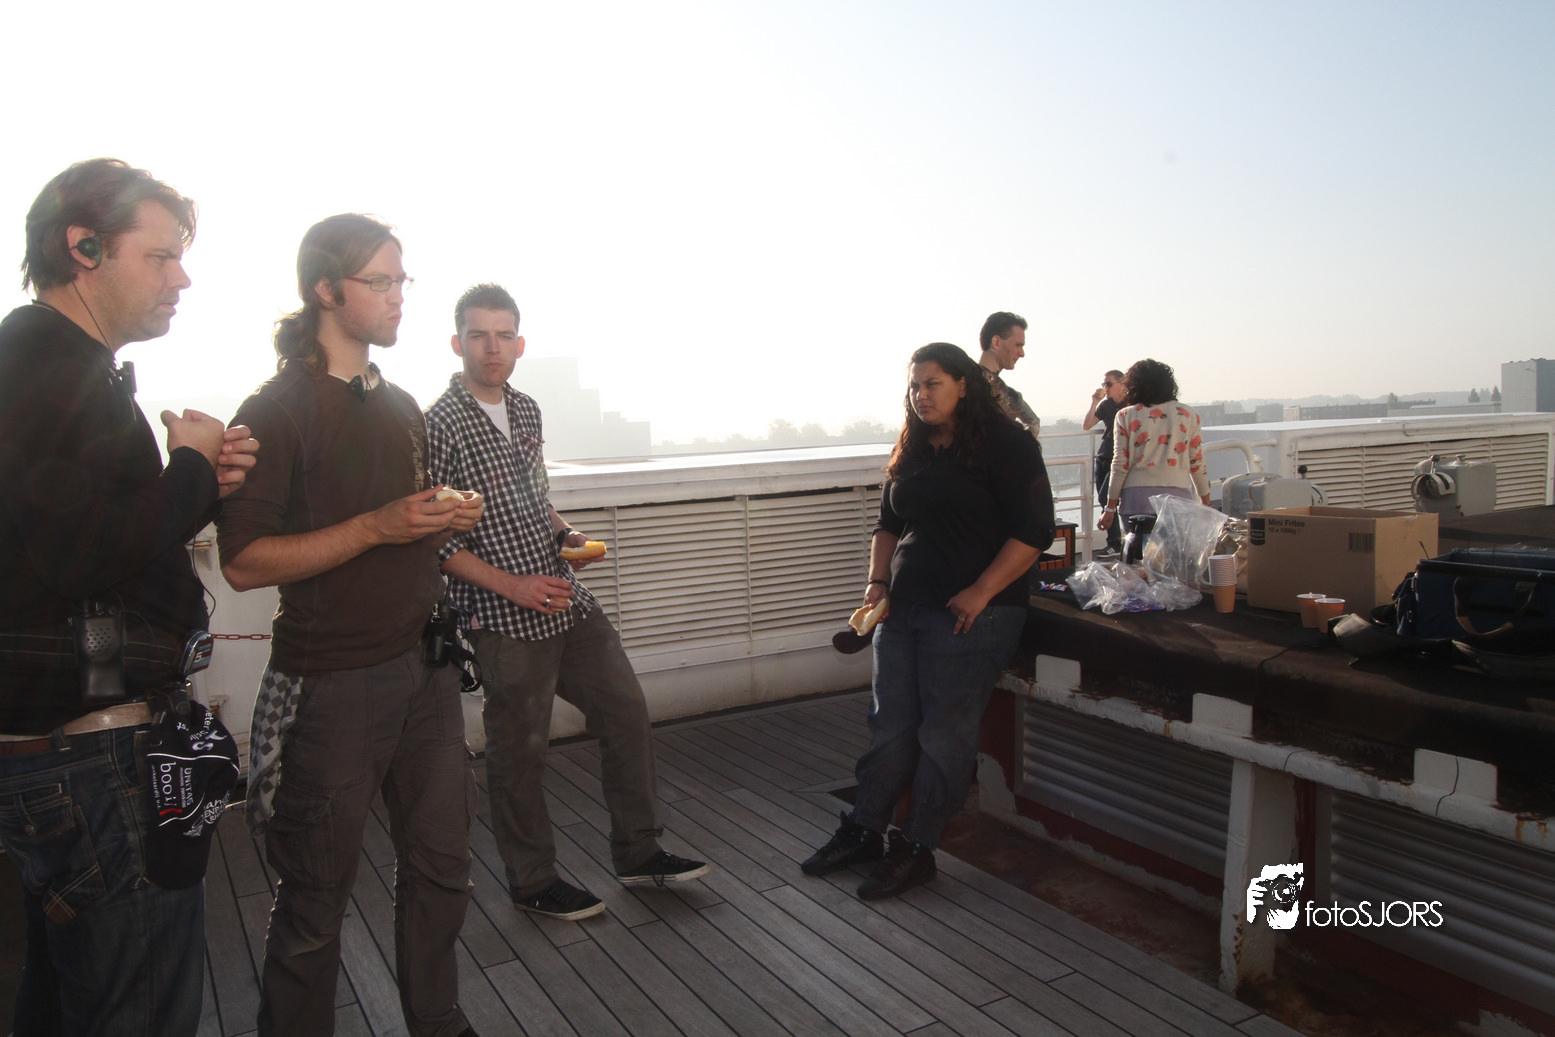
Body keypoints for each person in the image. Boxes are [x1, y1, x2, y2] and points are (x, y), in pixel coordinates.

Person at [0, 158, 258, 1036]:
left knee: (67, 1004)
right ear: (83, 248)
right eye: (160, 255)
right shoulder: (42, 360)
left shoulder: (51, 361)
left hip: (69, 758)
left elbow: (81, 538)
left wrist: (199, 480)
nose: (181, 277)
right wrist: (189, 465)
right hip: (94, 763)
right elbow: (82, 552)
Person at [217, 215, 484, 1037]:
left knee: (443, 867)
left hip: (425, 672)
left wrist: (441, 518)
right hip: (330, 685)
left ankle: (437, 1020)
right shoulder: (275, 410)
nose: (399, 295)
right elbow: (244, 562)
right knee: (314, 899)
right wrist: (376, 526)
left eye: (402, 280)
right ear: (326, 290)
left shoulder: (400, 405)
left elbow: (403, 524)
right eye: (381, 281)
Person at [425, 283, 708, 921]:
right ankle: (532, 882)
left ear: (520, 344)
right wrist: (513, 584)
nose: (492, 348)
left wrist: (566, 535)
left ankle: (639, 852)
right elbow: (434, 541)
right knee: (519, 752)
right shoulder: (437, 423)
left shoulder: (525, 409)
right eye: (478, 335)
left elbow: (535, 495)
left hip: (564, 597)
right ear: (456, 343)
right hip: (503, 615)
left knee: (625, 711)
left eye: (503, 336)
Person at [801, 342, 1054, 900]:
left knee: (943, 734)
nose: (920, 395)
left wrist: (980, 592)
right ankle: (864, 830)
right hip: (903, 609)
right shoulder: (915, 446)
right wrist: (877, 582)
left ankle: (917, 847)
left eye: (932, 383)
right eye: (915, 386)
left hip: (972, 616)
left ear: (963, 383)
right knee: (889, 726)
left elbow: (1035, 531)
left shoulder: (1007, 444)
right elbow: (889, 523)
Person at [1098, 358, 1211, 537]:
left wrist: (1110, 508)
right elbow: (1196, 463)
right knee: (1174, 553)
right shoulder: (1188, 414)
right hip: (1178, 500)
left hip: (1136, 501)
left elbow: (1120, 464)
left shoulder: (1125, 415)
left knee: (1139, 553)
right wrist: (1205, 501)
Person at [1082, 369, 1127, 556]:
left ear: (1122, 384)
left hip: (1119, 458)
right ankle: (1114, 542)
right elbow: (1087, 425)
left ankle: (1117, 542)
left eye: (1109, 384)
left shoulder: (1131, 405)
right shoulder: (1106, 405)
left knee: (1105, 498)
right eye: (1104, 384)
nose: (1105, 388)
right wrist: (1094, 402)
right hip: (1103, 456)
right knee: (1104, 500)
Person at [976, 311, 1040, 435]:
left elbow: (1034, 423)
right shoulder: (962, 385)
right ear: (996, 342)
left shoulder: (1012, 396)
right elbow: (1034, 424)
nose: (1022, 353)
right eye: (1018, 345)